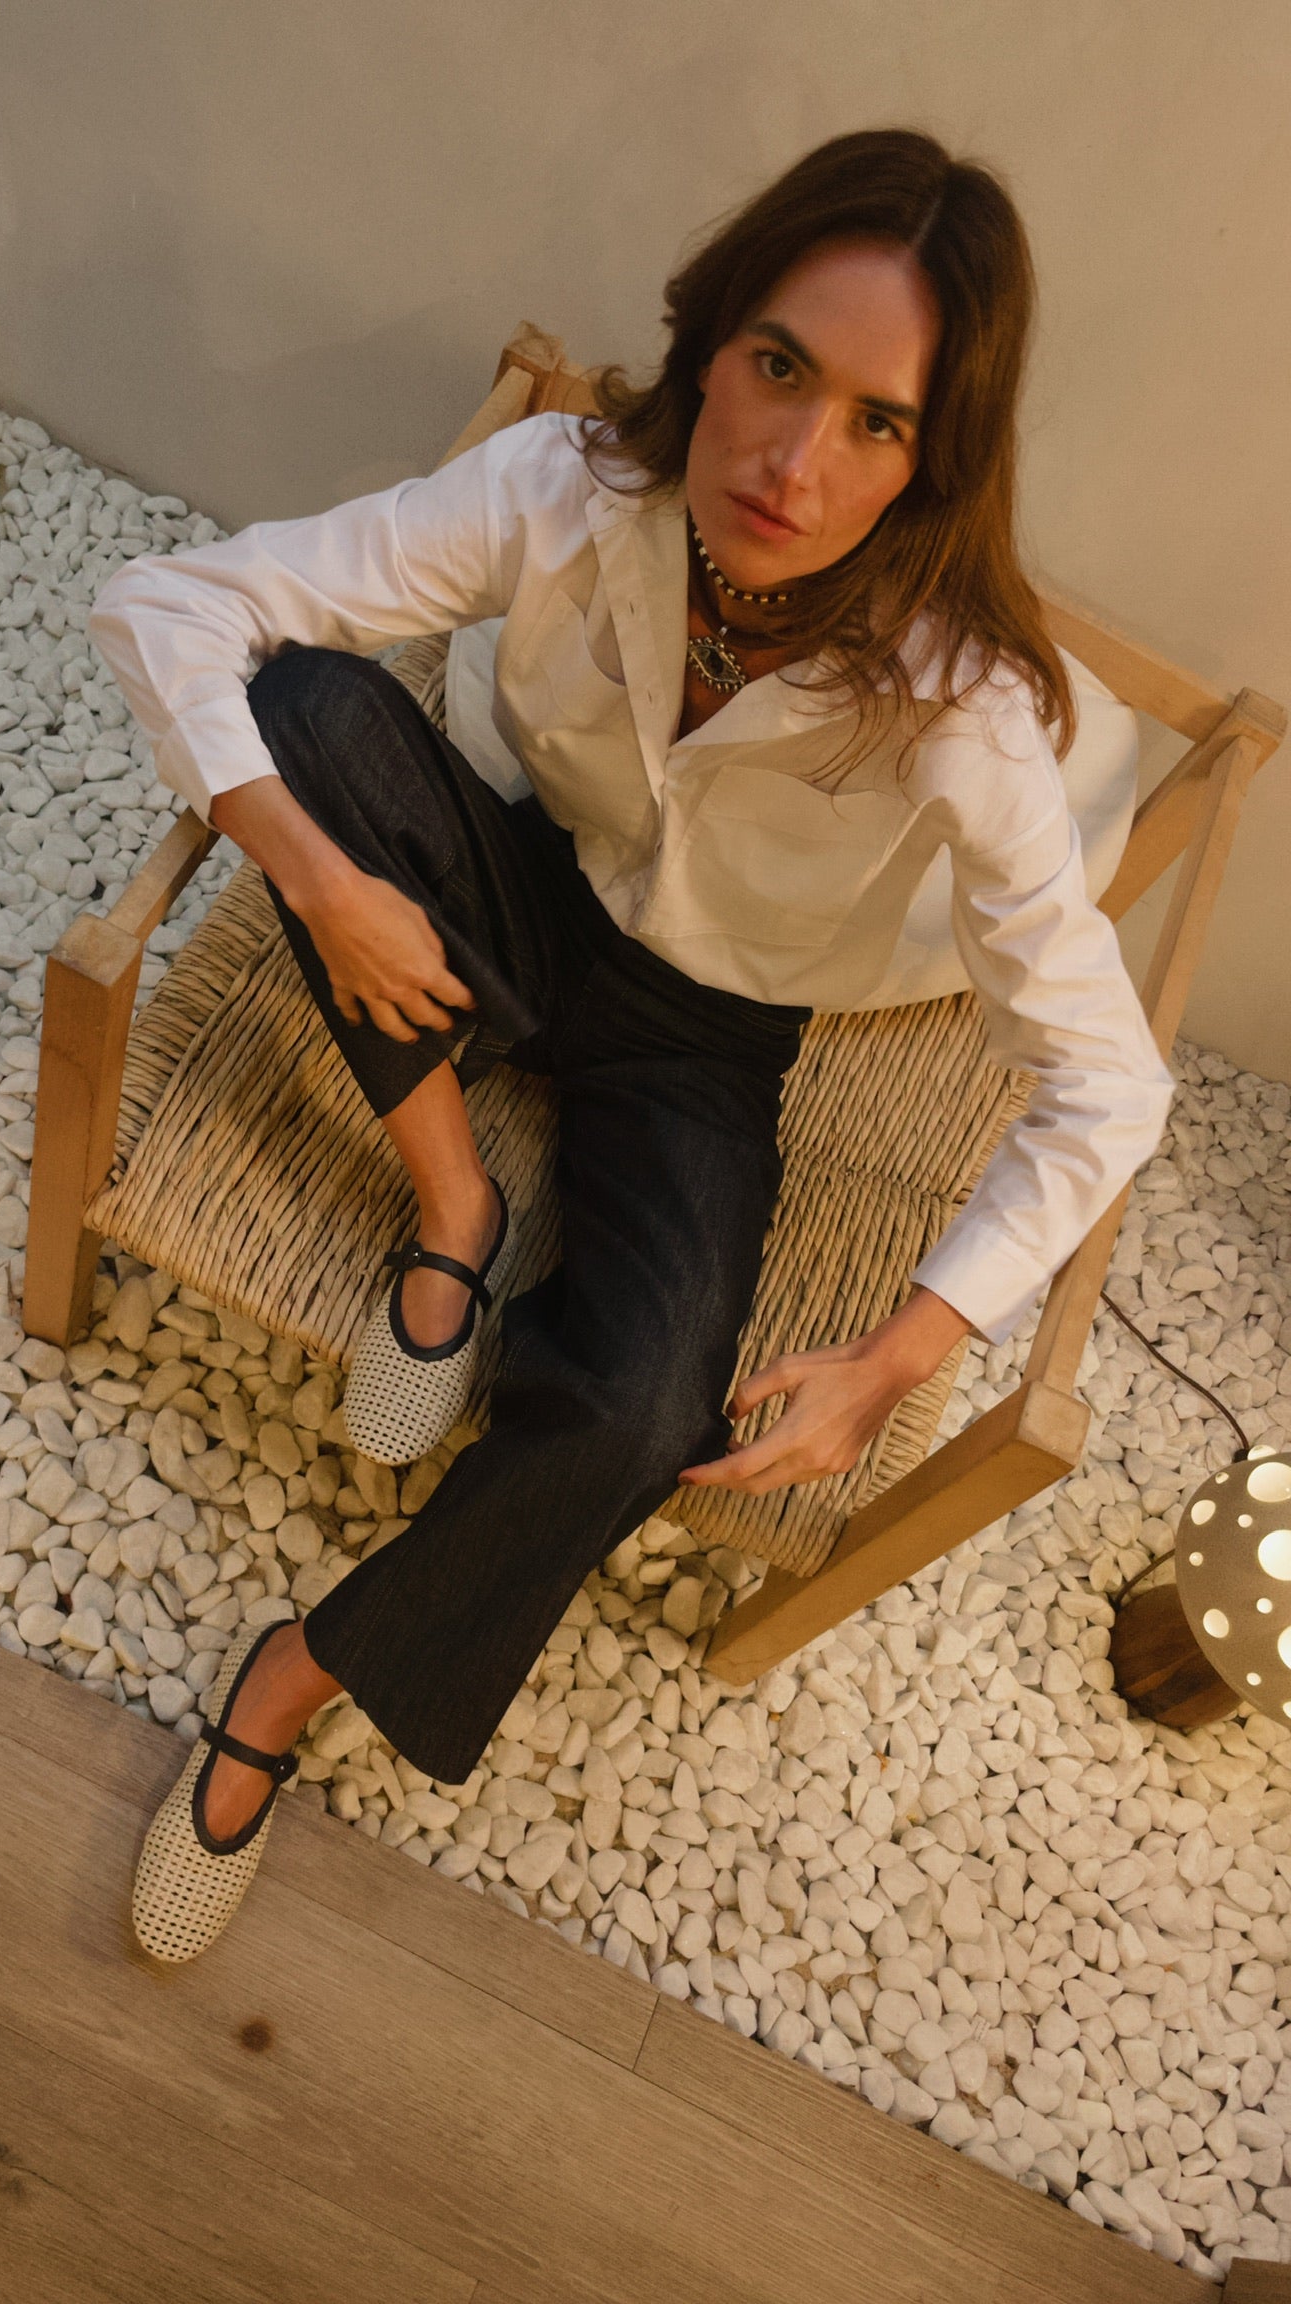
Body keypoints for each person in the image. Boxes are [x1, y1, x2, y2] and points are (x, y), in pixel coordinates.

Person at [87, 127, 1176, 1964]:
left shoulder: (963, 708)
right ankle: (456, 1211)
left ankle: (291, 1679)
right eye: (779, 366)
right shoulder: (570, 486)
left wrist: (903, 1351)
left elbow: (1110, 1083)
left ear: (934, 462)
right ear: (712, 340)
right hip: (535, 893)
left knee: (645, 1411)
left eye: (877, 423)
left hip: (708, 1035)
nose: (794, 461)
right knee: (312, 712)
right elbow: (172, 603)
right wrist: (324, 883)